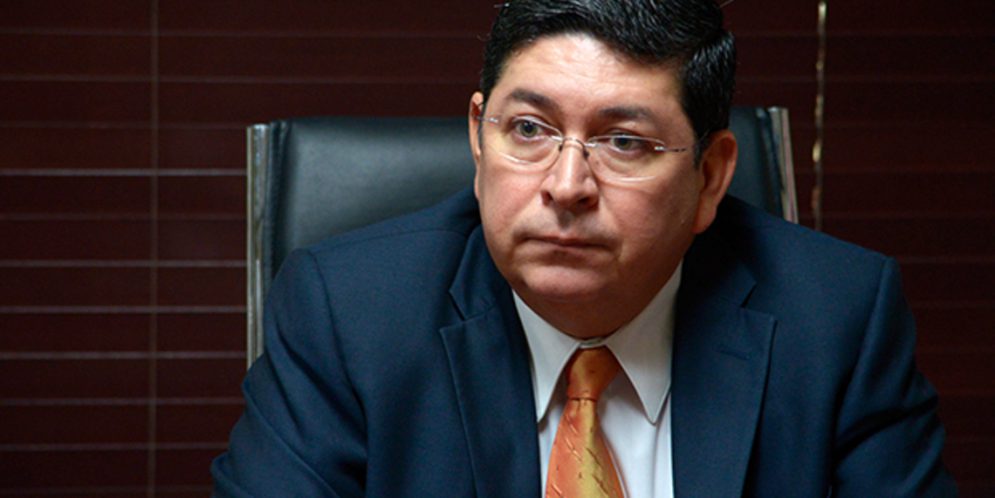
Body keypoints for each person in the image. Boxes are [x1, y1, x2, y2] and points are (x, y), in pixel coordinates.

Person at [212, 1, 956, 496]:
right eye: (528, 130)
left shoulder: (837, 320)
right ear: (478, 138)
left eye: (624, 142)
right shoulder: (348, 316)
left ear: (709, 176)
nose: (566, 186)